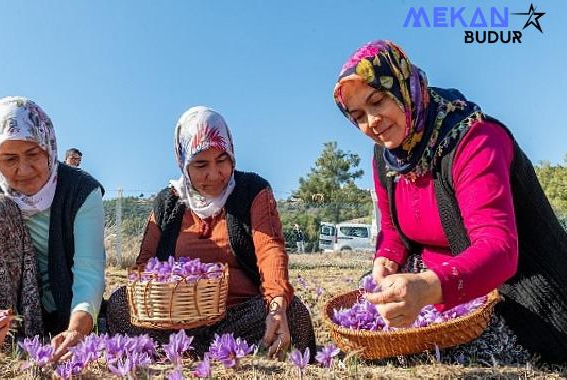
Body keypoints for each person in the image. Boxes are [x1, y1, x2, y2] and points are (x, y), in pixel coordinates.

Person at [333, 40, 567, 364]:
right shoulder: (387, 156)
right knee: (369, 340)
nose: (371, 122)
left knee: (423, 355)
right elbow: (391, 228)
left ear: (404, 87)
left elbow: (498, 249)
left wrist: (425, 289)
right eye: (358, 115)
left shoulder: (474, 140)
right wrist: (386, 258)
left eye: (378, 101)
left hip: (515, 292)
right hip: (438, 284)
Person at [106, 106, 316, 360]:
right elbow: (145, 264)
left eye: (222, 160)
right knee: (119, 302)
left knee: (292, 312)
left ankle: (202, 353)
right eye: (201, 164)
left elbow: (270, 249)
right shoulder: (168, 203)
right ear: (183, 163)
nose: (214, 175)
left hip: (240, 317)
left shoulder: (252, 190)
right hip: (174, 321)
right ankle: (179, 352)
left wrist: (276, 304)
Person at [0, 96, 105, 360]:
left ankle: (35, 345)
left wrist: (77, 328)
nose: (23, 169)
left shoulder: (81, 190)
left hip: (58, 316)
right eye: (9, 158)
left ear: (48, 147)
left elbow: (89, 273)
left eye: (33, 153)